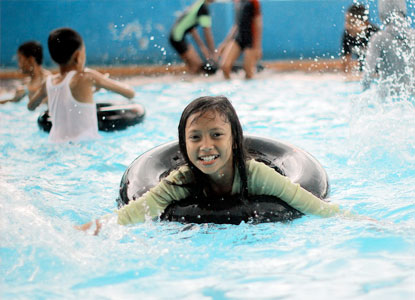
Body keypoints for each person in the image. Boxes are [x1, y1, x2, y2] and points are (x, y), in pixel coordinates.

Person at [77, 95, 348, 235]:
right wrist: (92, 228)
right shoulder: (181, 180)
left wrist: (356, 221)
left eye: (216, 135)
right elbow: (133, 213)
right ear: (183, 146)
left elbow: (308, 202)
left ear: (233, 141)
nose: (206, 146)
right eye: (195, 137)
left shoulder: (256, 174)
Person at [27, 28, 135, 143]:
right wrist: (102, 82)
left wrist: (91, 91)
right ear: (78, 55)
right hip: (85, 146)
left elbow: (31, 106)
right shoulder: (87, 77)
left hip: (55, 144)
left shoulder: (48, 83)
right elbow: (129, 93)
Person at [362, 0, 415, 96]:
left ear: (382, 15)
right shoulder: (413, 36)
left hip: (388, 100)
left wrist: (363, 93)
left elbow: (367, 75)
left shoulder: (379, 38)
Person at [169, 0, 217, 74]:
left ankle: (187, 81)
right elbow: (207, 33)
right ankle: (188, 82)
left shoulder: (199, 4)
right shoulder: (203, 8)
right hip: (177, 38)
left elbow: (192, 29)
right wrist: (213, 54)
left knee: (194, 66)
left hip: (176, 36)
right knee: (196, 66)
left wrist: (203, 48)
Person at [219, 0, 262, 79]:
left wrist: (258, 47)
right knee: (225, 66)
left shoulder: (253, 2)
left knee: (248, 71)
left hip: (250, 39)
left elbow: (258, 23)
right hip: (238, 37)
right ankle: (229, 87)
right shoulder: (237, 1)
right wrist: (225, 42)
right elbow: (236, 24)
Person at [340, 4, 379, 75]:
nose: (347, 26)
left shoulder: (376, 35)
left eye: (352, 22)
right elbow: (346, 62)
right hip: (364, 71)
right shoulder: (347, 35)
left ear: (365, 23)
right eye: (346, 21)